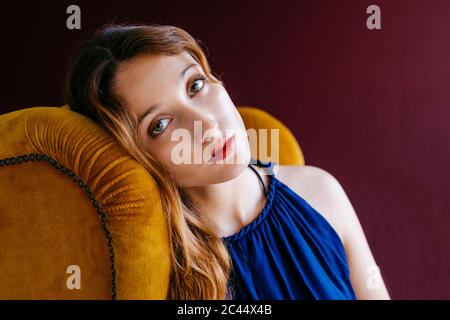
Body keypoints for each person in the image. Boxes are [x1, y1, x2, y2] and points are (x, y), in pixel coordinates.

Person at [64, 23, 390, 300]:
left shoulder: (320, 191)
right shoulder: (155, 264)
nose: (205, 123)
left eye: (195, 85)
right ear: (134, 157)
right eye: (160, 124)